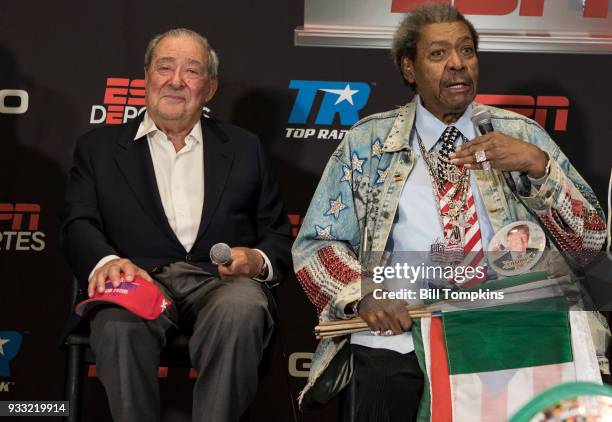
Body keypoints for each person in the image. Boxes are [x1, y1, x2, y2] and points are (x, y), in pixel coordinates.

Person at [291, 4, 607, 421]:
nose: (457, 64)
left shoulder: (522, 135)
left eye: (467, 51)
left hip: (515, 325)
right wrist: (363, 294)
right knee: (383, 378)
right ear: (409, 68)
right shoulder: (368, 143)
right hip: (408, 328)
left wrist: (539, 169)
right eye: (438, 54)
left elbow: (589, 247)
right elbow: (316, 244)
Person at [60, 28, 292, 422]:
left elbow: (276, 234)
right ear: (147, 76)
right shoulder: (97, 148)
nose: (176, 80)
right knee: (117, 321)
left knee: (244, 308)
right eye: (165, 67)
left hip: (219, 283)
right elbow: (77, 222)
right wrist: (106, 262)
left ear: (211, 87)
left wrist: (255, 260)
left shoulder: (244, 147)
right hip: (138, 279)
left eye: (192, 71)